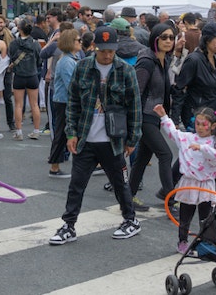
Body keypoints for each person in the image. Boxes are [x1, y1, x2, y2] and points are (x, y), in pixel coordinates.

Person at [49, 26, 143, 245]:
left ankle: (131, 220)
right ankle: (68, 226)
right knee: (76, 185)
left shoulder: (125, 70)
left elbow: (134, 107)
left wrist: (132, 139)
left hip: (113, 140)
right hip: (86, 139)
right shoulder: (82, 68)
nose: (108, 55)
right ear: (95, 47)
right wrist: (71, 133)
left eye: (111, 50)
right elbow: (72, 103)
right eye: (103, 50)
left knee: (120, 184)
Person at [154, 104, 216, 254]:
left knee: (206, 217)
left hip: (206, 185)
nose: (200, 127)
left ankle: (206, 242)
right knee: (185, 217)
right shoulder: (188, 138)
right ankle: (182, 241)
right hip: (189, 182)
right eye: (197, 123)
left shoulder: (215, 142)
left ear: (213, 126)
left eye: (204, 125)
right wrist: (163, 116)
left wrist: (202, 148)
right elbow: (173, 133)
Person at [127, 23, 177, 212]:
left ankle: (128, 197)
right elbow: (136, 92)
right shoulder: (147, 60)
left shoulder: (164, 59)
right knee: (166, 154)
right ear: (155, 39)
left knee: (141, 159)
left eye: (171, 37)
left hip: (155, 116)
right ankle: (170, 199)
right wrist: (134, 121)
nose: (168, 41)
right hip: (144, 116)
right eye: (163, 37)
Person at [47, 28, 80, 178]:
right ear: (71, 43)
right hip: (64, 101)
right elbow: (71, 85)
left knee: (64, 133)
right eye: (78, 40)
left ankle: (56, 164)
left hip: (64, 100)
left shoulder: (70, 58)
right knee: (61, 133)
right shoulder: (67, 61)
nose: (80, 42)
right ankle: (54, 166)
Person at [8, 20, 42, 141]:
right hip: (32, 75)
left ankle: (19, 131)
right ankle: (36, 131)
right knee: (34, 104)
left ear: (20, 29)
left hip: (19, 75)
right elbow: (39, 60)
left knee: (18, 104)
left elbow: (11, 57)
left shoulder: (14, 44)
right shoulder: (35, 44)